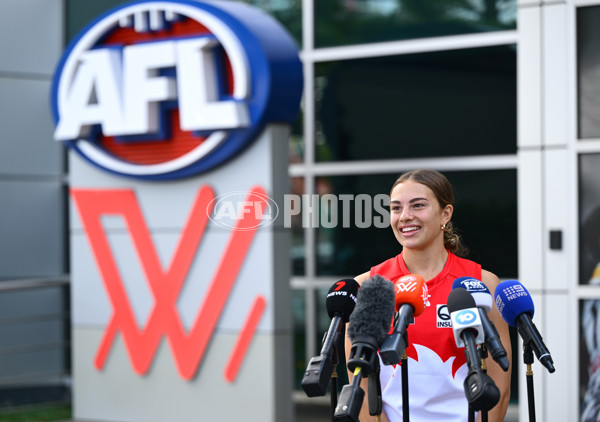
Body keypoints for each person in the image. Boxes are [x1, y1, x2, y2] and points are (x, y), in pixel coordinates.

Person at [345, 169, 512, 422]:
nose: (405, 216)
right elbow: (362, 390)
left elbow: (499, 386)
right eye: (396, 208)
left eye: (418, 205)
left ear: (446, 213)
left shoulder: (482, 284)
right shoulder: (367, 287)